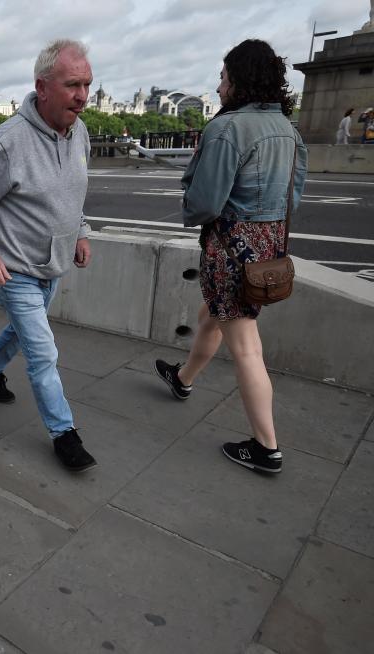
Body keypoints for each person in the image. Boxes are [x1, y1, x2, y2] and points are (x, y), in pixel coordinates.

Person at [154, 39, 308, 474]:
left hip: (231, 249)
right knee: (212, 315)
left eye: (223, 77)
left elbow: (204, 202)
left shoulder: (227, 128)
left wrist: (192, 204)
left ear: (238, 80)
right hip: (268, 251)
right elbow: (293, 195)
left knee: (245, 347)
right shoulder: (289, 130)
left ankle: (266, 447)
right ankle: (183, 380)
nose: (218, 86)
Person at [0, 39, 97, 473]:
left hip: (53, 265)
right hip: (14, 272)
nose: (82, 96)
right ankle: (64, 434)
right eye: (72, 85)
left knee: (24, 332)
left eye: (87, 84)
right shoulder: (8, 142)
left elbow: (74, 193)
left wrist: (82, 232)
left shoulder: (79, 131)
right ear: (42, 86)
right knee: (43, 351)